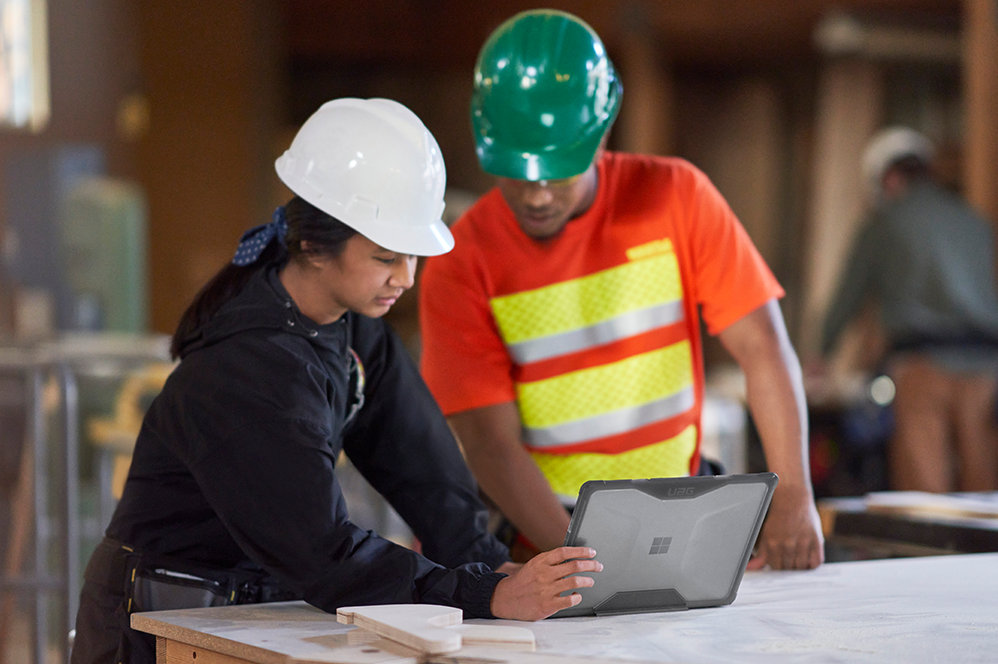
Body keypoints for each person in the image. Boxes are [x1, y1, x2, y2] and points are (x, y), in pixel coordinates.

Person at [70, 97, 601, 664]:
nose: (406, 278)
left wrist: (493, 566)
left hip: (248, 615)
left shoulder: (356, 332)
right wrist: (484, 594)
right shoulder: (249, 368)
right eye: (385, 257)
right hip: (159, 626)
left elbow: (426, 475)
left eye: (413, 256)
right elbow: (324, 555)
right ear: (313, 247)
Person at [418, 9, 823, 571]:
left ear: (601, 131)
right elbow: (489, 444)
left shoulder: (678, 196)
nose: (536, 196)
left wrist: (795, 497)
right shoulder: (460, 259)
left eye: (556, 172)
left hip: (681, 517)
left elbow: (763, 347)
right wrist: (581, 562)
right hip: (545, 532)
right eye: (516, 172)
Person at [821, 126, 998, 493]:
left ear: (888, 178)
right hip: (986, 368)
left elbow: (849, 294)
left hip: (922, 366)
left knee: (924, 496)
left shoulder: (884, 223)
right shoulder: (974, 222)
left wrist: (819, 353)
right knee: (985, 492)